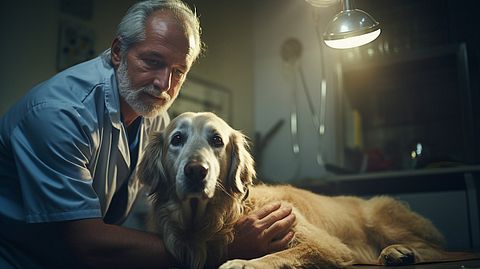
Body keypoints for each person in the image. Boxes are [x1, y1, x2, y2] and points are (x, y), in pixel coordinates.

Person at [0, 0, 296, 268]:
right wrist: (226, 248)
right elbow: (86, 244)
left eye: (178, 71)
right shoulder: (58, 115)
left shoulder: (156, 120)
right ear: (118, 52)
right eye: (153, 62)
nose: (164, 84)